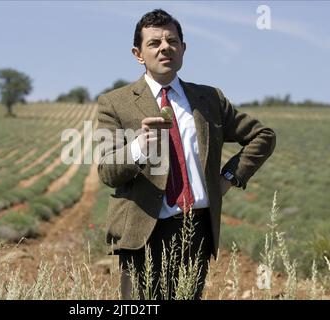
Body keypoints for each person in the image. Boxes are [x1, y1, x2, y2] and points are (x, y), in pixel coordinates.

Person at [96, 9, 276, 300]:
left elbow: (263, 136)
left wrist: (229, 177)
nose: (165, 47)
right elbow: (107, 170)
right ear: (138, 54)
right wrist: (139, 147)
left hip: (196, 230)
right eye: (154, 43)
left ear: (183, 48)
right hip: (142, 233)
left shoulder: (209, 99)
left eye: (172, 40)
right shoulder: (115, 104)